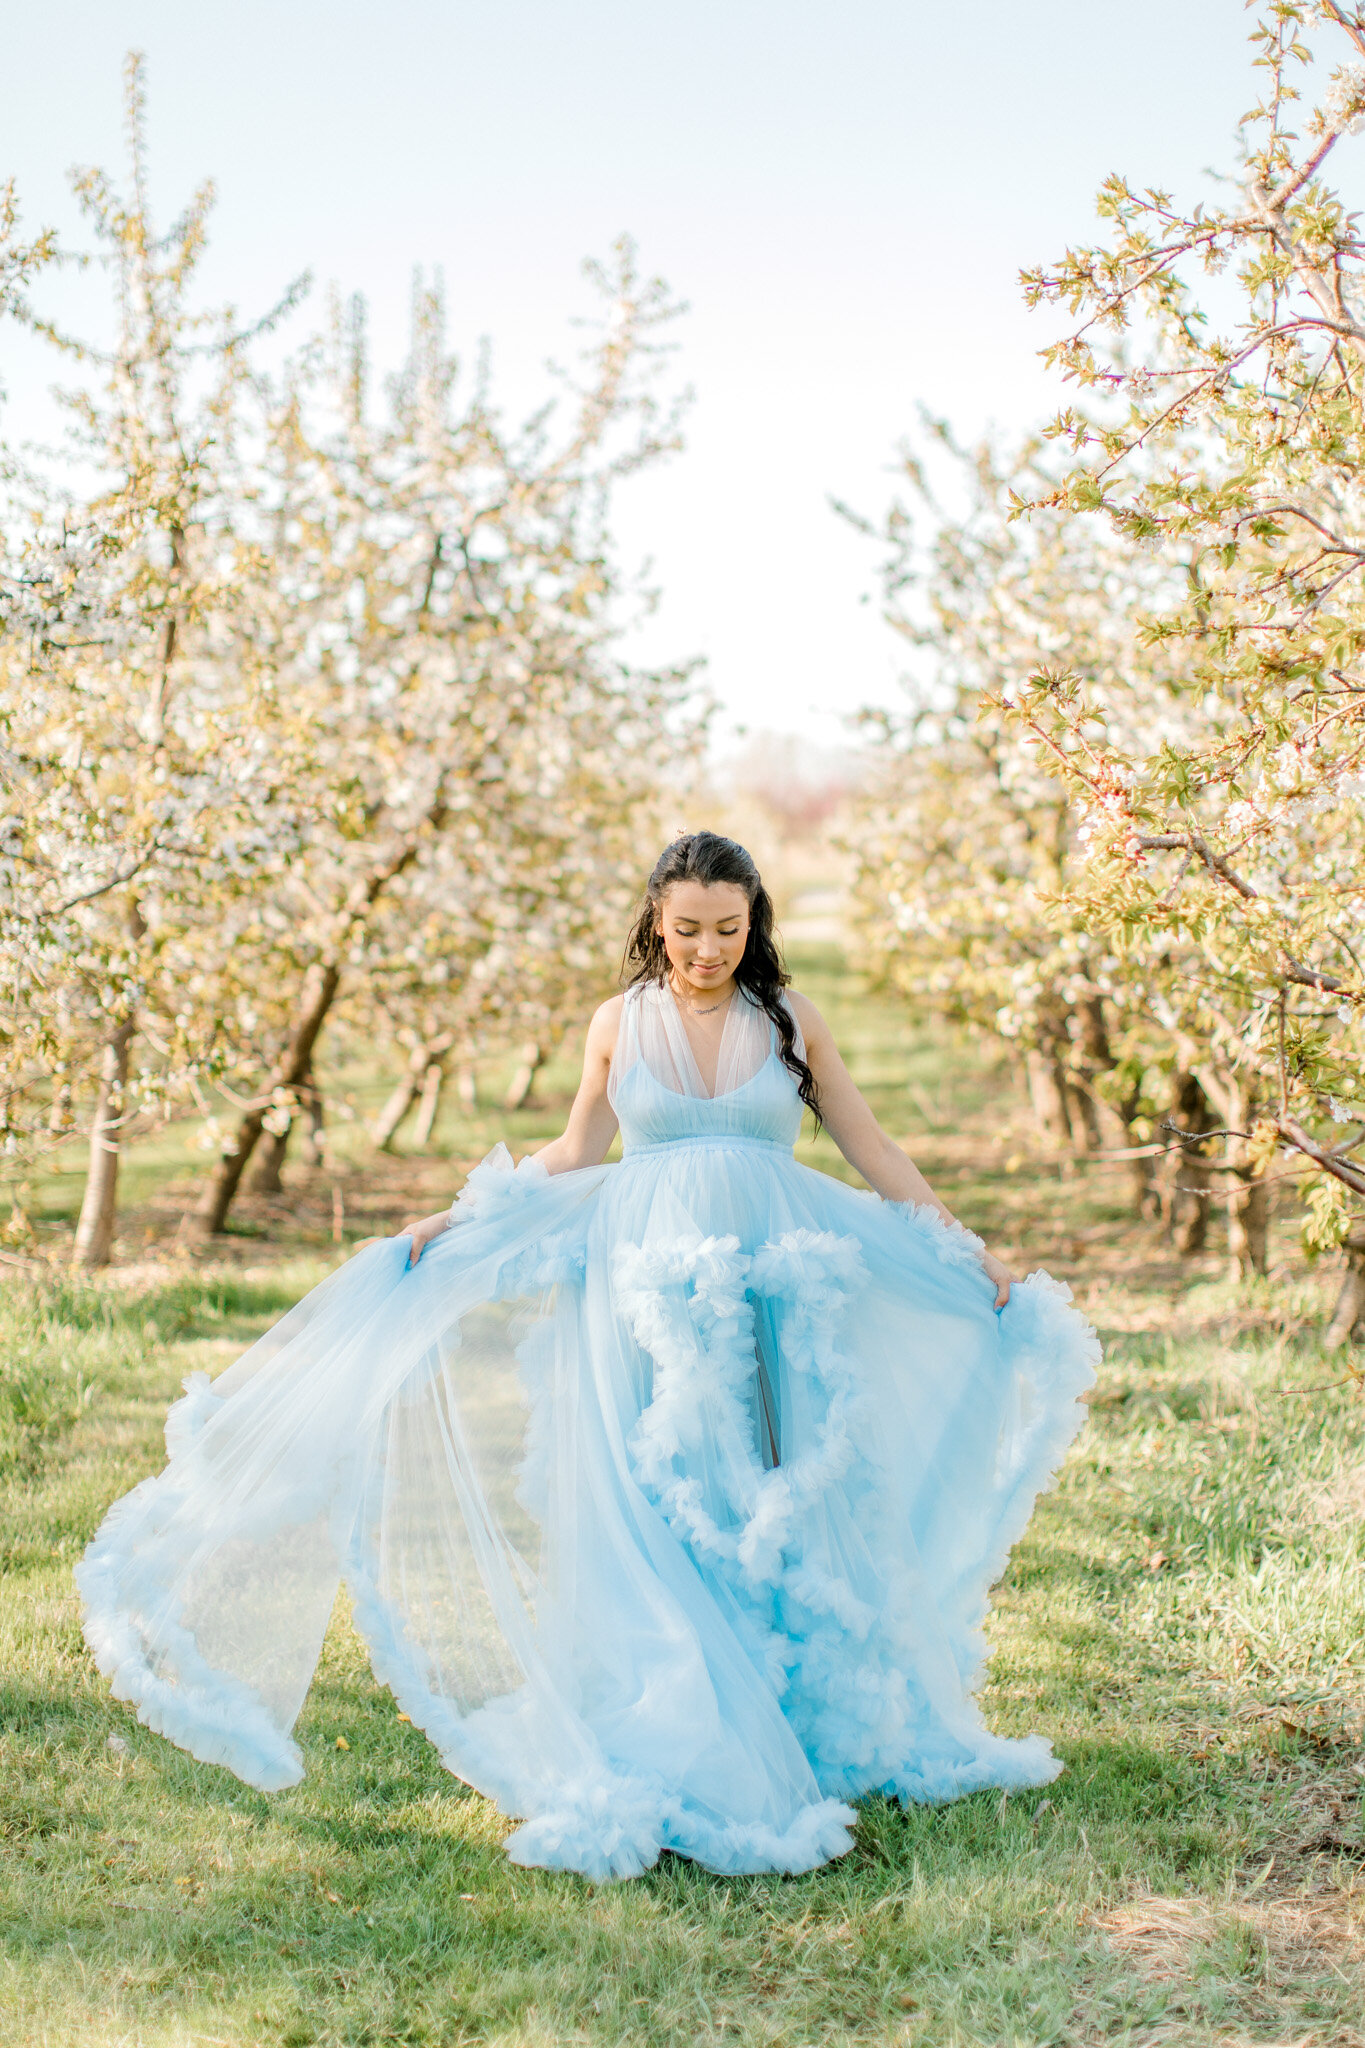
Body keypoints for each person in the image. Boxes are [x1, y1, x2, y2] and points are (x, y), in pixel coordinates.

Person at [78, 832, 1098, 1882]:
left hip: (772, 1279)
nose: (707, 948)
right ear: (657, 919)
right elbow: (576, 1150)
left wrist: (964, 1247)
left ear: (756, 924)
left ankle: (787, 1716)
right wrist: (465, 1214)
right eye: (688, 927)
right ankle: (680, 1715)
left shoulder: (789, 1020)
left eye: (728, 928)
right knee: (660, 1495)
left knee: (764, 1489)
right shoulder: (619, 1022)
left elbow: (870, 1144)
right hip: (646, 1288)